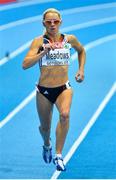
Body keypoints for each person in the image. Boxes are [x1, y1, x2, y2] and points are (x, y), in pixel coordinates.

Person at [22, 8, 86, 171]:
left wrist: (81, 70)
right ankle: (47, 144)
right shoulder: (38, 42)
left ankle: (58, 154)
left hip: (63, 88)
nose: (52, 24)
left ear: (60, 22)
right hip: (44, 91)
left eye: (55, 21)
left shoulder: (69, 39)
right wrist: (43, 52)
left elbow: (82, 50)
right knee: (45, 128)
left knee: (64, 115)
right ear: (43, 23)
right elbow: (25, 65)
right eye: (49, 22)